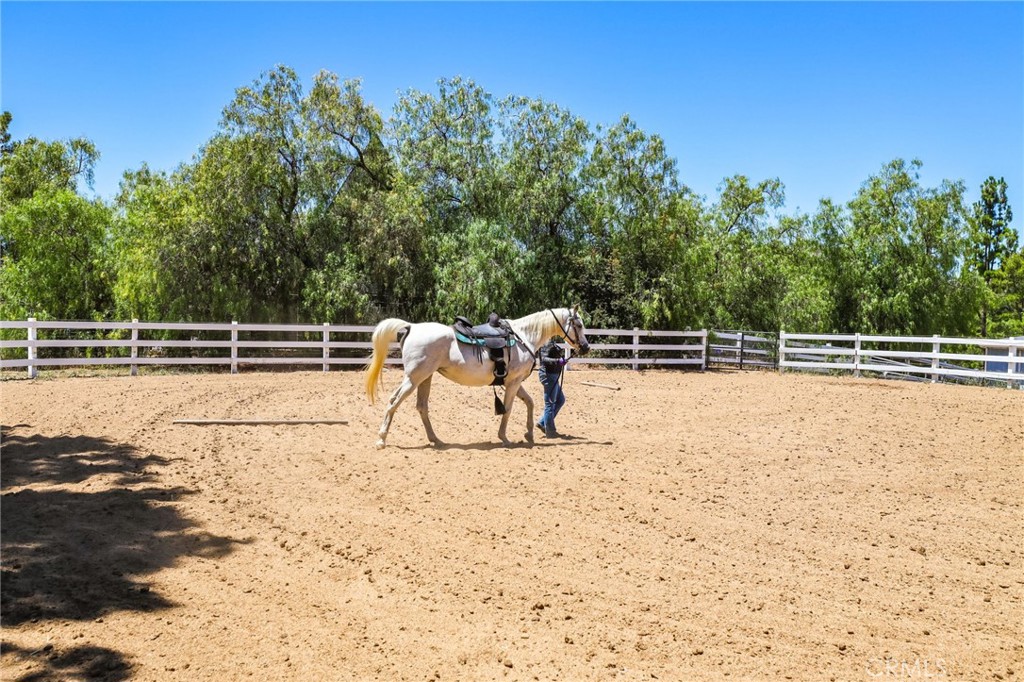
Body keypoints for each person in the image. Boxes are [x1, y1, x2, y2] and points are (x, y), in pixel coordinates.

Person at [536, 338, 568, 438]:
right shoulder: (546, 342)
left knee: (560, 400)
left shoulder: (551, 341)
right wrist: (558, 361)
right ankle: (550, 431)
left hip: (553, 375)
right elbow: (544, 359)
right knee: (550, 403)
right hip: (548, 375)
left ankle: (542, 422)